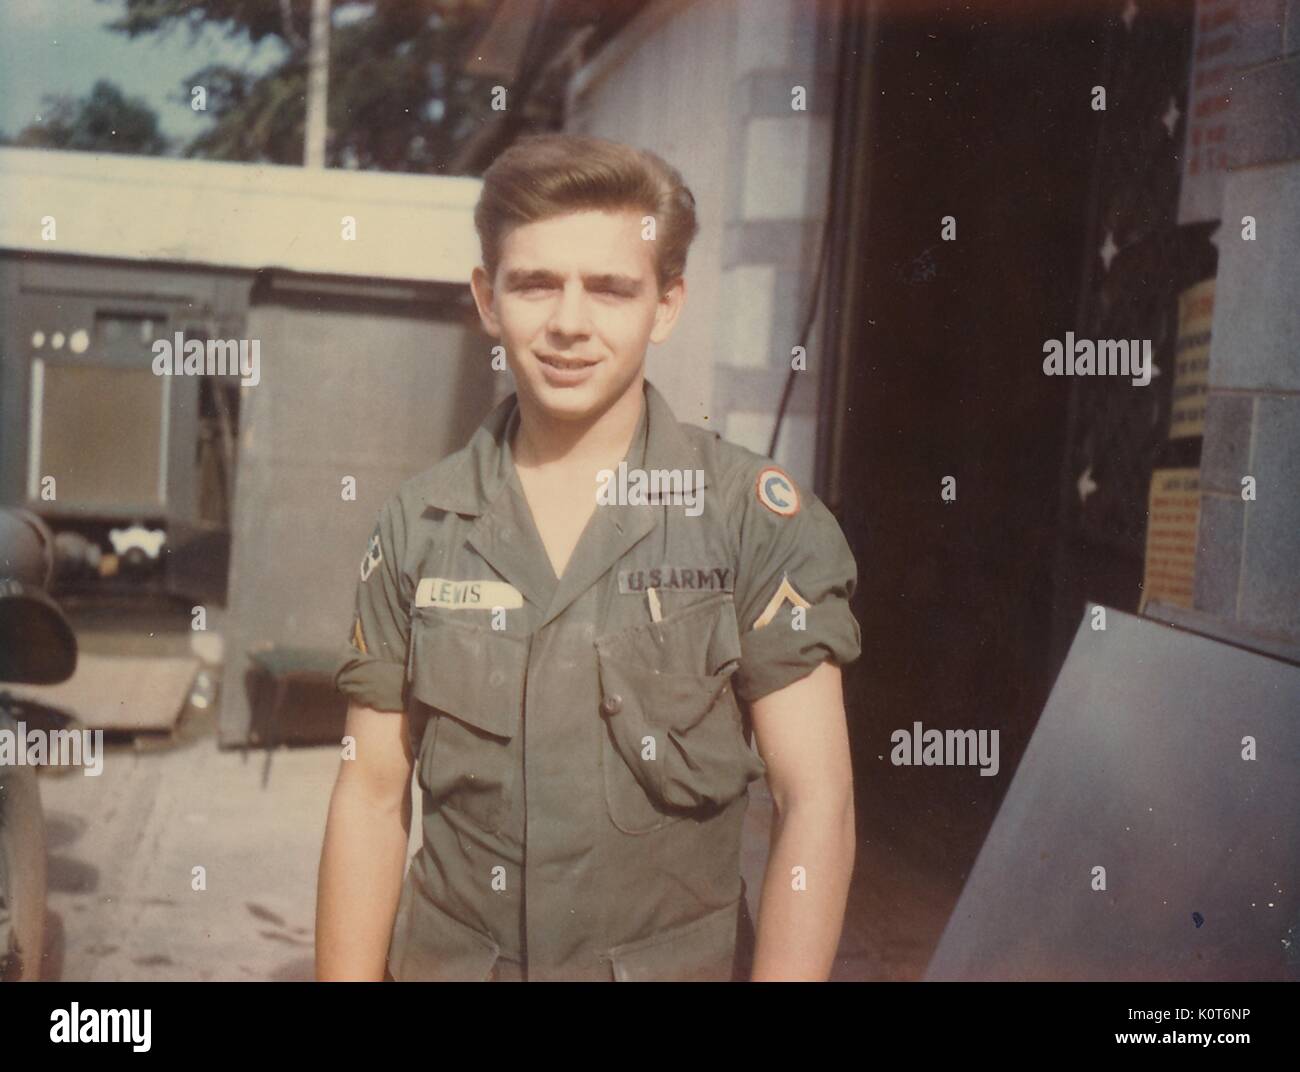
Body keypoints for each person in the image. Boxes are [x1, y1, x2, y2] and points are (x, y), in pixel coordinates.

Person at [316, 133, 861, 982]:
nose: (570, 323)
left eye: (611, 288)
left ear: (667, 304)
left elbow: (815, 805)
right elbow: (370, 794)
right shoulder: (418, 526)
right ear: (487, 299)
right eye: (535, 283)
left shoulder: (751, 522)